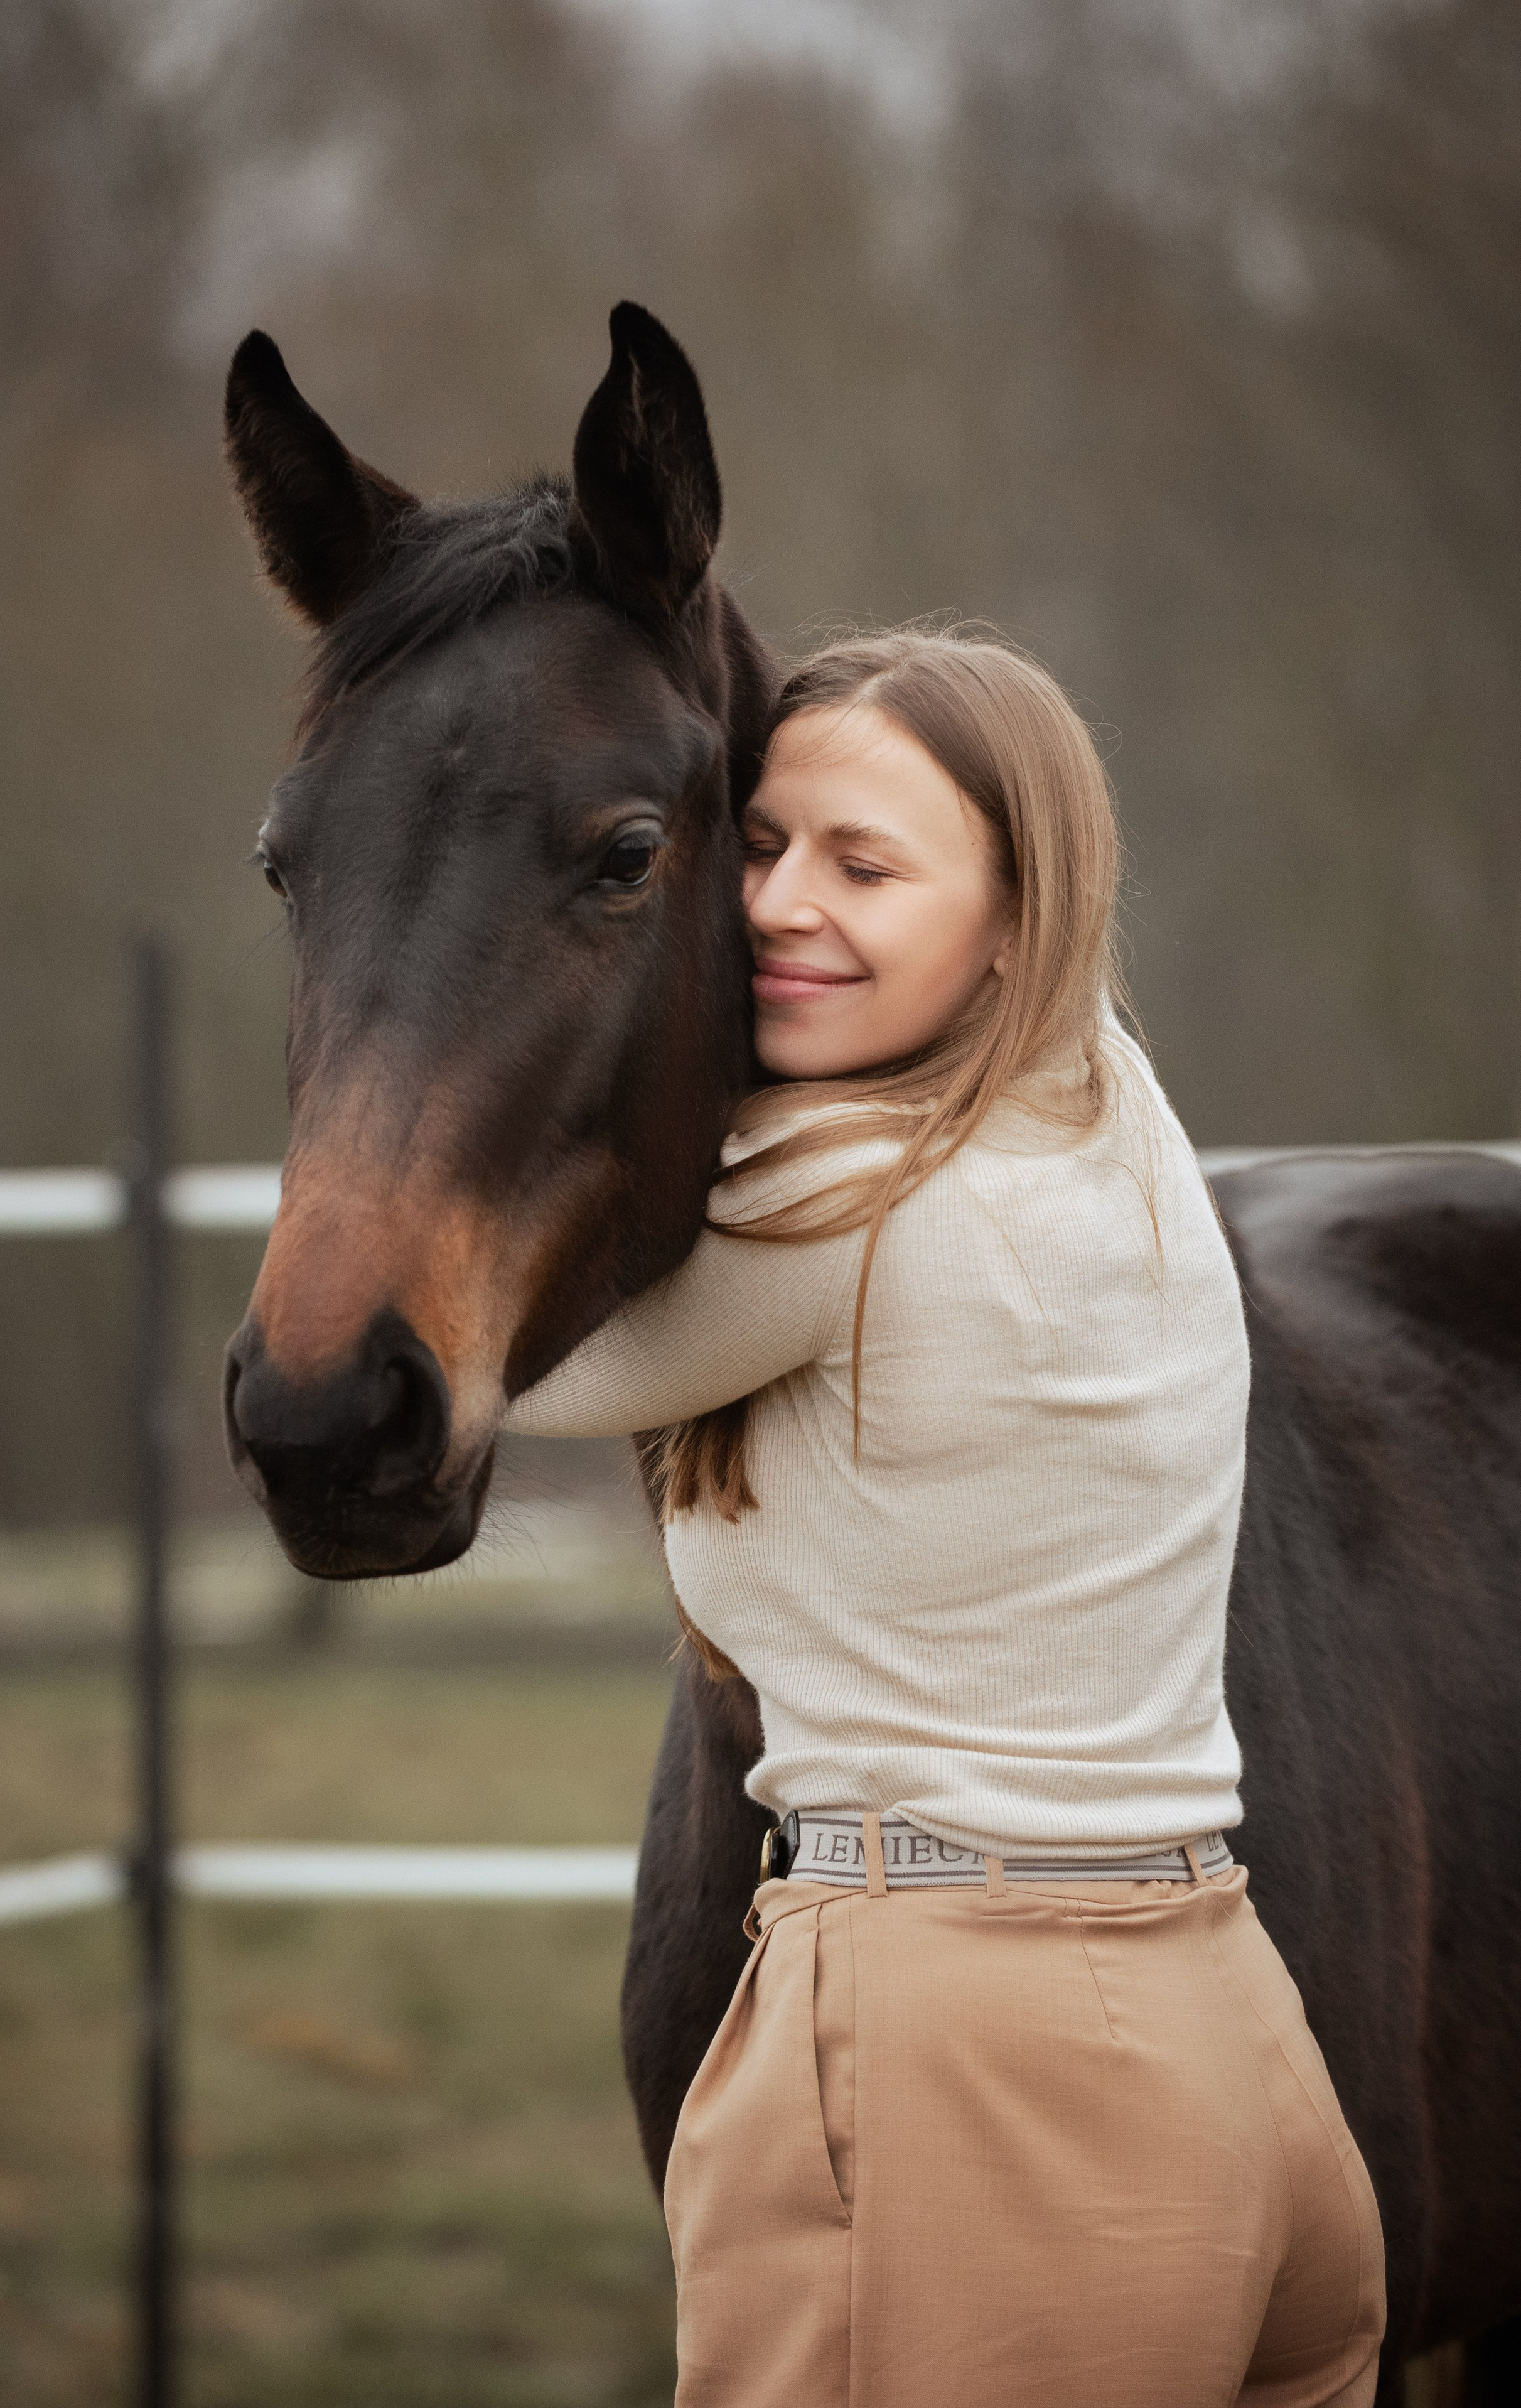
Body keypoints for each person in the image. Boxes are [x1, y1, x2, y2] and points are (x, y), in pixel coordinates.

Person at [505, 630, 1386, 2407]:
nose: (776, 904)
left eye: (867, 864)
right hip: (1230, 2043)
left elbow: (486, 1364)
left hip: (969, 2068)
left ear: (1014, 920)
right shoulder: (1112, 1117)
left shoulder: (850, 1206)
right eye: (759, 844)